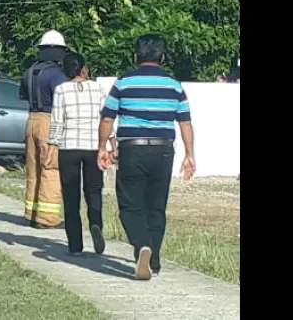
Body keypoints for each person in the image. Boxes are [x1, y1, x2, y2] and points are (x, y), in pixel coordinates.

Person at [97, 34, 196, 280]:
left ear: (136, 56)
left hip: (132, 149)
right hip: (163, 150)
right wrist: (190, 155)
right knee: (156, 206)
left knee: (130, 205)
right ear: (162, 57)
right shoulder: (174, 85)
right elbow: (185, 122)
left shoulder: (124, 82)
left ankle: (142, 245)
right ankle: (155, 261)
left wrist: (102, 148)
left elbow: (108, 118)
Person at [49, 52, 112, 255]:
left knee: (71, 195)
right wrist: (112, 143)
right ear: (84, 69)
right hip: (93, 146)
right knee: (94, 191)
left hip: (69, 148)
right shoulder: (97, 88)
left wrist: (52, 147)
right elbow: (107, 118)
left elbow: (57, 122)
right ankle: (96, 224)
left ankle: (75, 244)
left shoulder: (61, 90)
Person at [19, 30, 69, 229]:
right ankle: (47, 218)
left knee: (33, 169)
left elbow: (22, 96)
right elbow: (64, 99)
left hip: (31, 120)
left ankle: (30, 213)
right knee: (51, 167)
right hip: (49, 120)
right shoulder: (57, 75)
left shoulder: (29, 72)